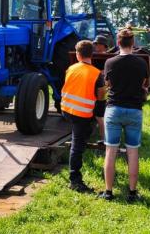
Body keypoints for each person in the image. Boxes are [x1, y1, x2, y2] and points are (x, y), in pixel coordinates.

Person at [98, 28, 148, 202]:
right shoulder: (142, 63)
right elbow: (143, 85)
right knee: (133, 152)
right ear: (133, 43)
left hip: (114, 109)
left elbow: (108, 84)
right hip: (135, 110)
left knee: (110, 150)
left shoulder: (110, 63)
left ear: (118, 43)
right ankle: (133, 193)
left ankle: (109, 192)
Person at [61, 40, 106, 193]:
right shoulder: (96, 73)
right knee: (77, 146)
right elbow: (101, 97)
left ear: (78, 54)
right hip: (82, 114)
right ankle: (75, 180)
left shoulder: (71, 68)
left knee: (81, 136)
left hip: (66, 110)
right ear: (91, 54)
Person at [92, 35, 109, 145]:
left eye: (97, 44)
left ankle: (104, 139)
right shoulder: (94, 56)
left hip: (102, 89)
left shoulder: (108, 58)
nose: (95, 46)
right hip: (92, 88)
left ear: (103, 46)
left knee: (99, 116)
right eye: (95, 44)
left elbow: (106, 73)